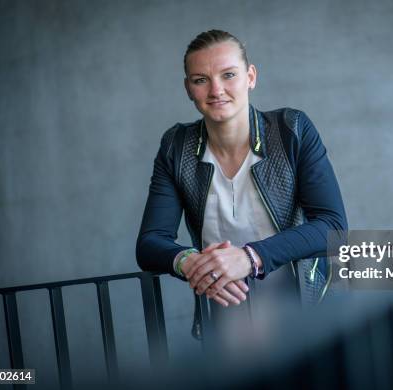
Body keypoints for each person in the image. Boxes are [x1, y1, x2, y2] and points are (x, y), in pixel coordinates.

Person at [136, 30, 347, 340]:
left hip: (303, 313)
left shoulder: (292, 130)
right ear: (188, 89)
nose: (216, 90)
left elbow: (333, 227)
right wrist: (189, 262)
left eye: (229, 75)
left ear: (250, 77)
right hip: (223, 317)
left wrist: (249, 257)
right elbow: (150, 243)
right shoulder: (176, 146)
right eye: (200, 80)